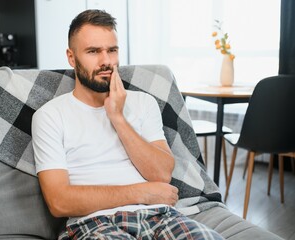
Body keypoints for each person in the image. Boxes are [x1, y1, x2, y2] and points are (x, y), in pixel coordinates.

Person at [31, 9, 223, 240]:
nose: (106, 61)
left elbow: (161, 174)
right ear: (71, 57)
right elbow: (59, 202)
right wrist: (142, 192)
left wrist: (118, 118)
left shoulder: (143, 103)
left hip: (160, 217)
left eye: (112, 50)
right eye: (93, 51)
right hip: (94, 224)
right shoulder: (50, 116)